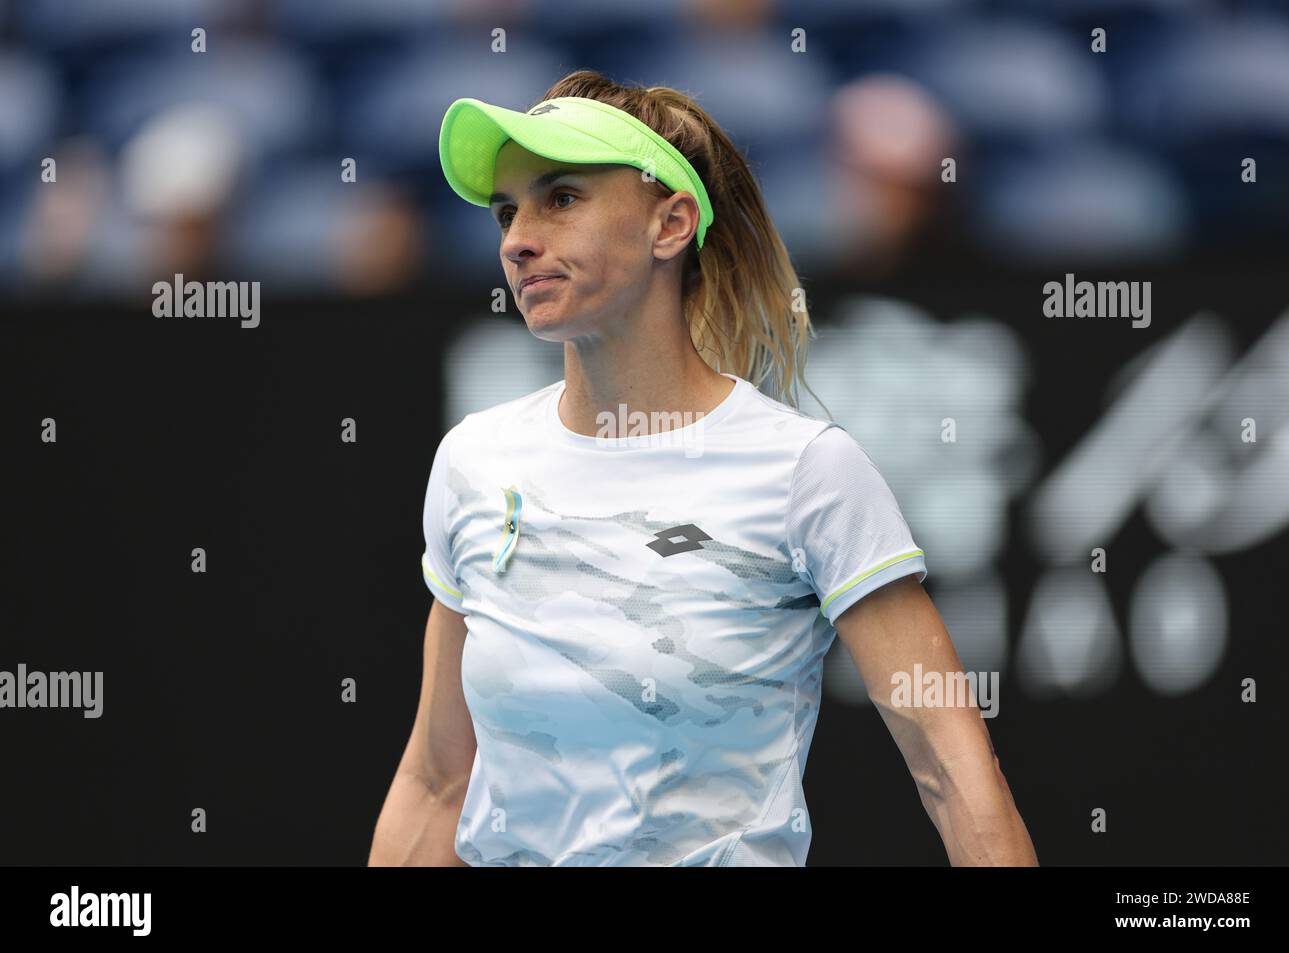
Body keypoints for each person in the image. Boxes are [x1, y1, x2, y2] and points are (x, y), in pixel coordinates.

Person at [368, 70, 1037, 867]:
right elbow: (438, 779)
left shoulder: (808, 470)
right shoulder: (472, 461)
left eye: (562, 199)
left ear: (670, 224)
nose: (517, 239)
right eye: (507, 212)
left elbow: (954, 776)